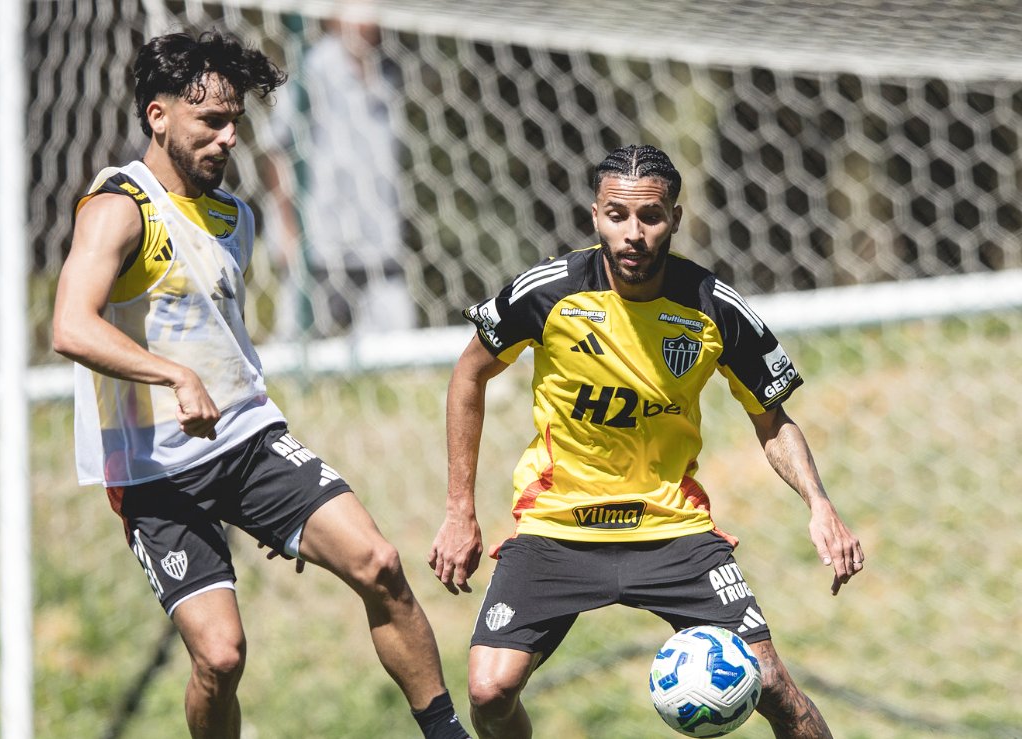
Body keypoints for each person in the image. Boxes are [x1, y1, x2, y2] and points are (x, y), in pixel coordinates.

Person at [52, 30, 468, 739]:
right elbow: (70, 326)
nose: (228, 138)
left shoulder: (234, 218)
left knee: (379, 563)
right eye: (211, 121)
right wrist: (173, 375)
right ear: (158, 116)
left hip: (247, 442)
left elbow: (218, 340)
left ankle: (446, 732)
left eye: (235, 122)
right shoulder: (120, 206)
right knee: (221, 656)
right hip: (156, 474)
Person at [428, 144, 864, 738]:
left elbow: (772, 419)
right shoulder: (548, 292)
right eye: (617, 215)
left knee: (770, 685)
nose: (633, 233)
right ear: (595, 216)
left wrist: (820, 503)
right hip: (559, 526)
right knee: (489, 690)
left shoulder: (713, 307)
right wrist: (459, 511)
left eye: (650, 217)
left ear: (674, 219)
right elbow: (468, 374)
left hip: (672, 530)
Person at [261, 6, 416, 339]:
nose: (366, 18)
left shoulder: (387, 74)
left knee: (400, 343)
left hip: (377, 241)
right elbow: (277, 150)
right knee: (297, 343)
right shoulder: (310, 70)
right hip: (318, 241)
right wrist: (287, 227)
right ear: (332, 15)